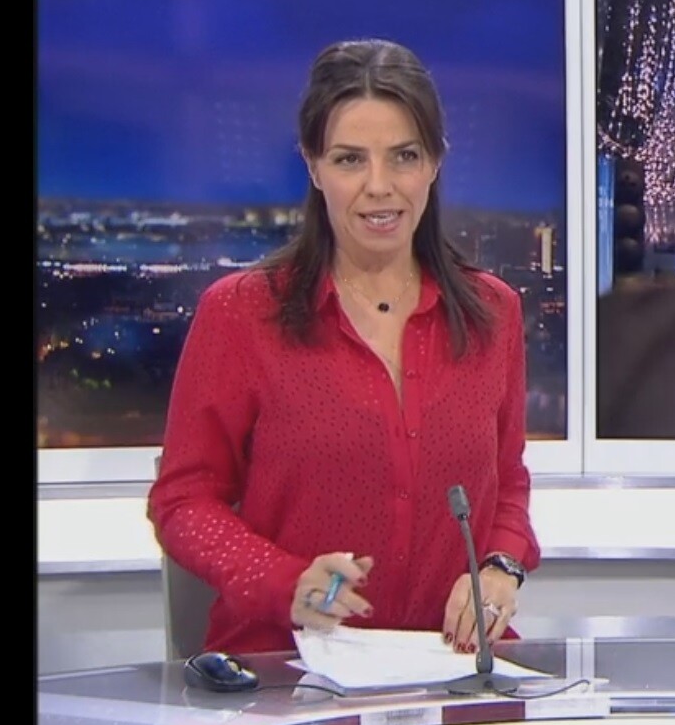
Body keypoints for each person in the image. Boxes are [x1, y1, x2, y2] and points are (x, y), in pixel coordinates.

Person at [147, 40, 540, 657]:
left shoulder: (493, 312)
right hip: (287, 667)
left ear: (434, 162)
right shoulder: (241, 314)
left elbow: (508, 479)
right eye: (350, 159)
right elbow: (183, 500)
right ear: (313, 166)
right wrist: (282, 581)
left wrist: (500, 567)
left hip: (451, 665)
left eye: (404, 156)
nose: (379, 187)